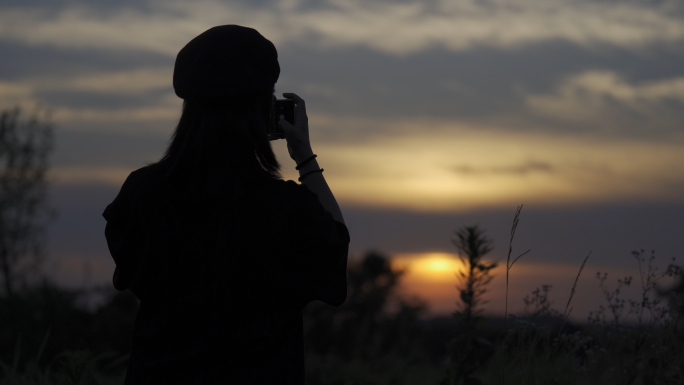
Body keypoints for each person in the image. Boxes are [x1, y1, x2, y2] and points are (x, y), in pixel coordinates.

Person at [102, 25, 349, 385]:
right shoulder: (284, 210)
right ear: (263, 108)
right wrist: (305, 158)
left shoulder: (142, 195)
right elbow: (334, 251)